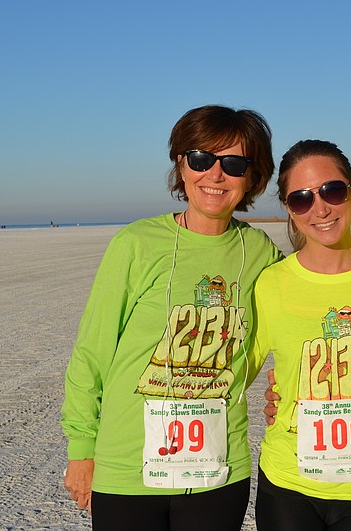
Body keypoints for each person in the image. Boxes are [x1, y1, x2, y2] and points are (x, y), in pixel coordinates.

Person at [60, 105, 283, 530]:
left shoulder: (261, 255)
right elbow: (92, 352)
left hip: (218, 470)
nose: (215, 176)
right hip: (128, 468)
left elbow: (292, 326)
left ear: (254, 177)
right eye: (201, 159)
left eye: (234, 164)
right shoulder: (137, 244)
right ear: (181, 165)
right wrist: (81, 449)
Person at [251, 140, 351, 531]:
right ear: (288, 208)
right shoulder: (270, 284)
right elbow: (229, 372)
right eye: (302, 199)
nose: (320, 208)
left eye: (332, 190)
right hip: (288, 481)